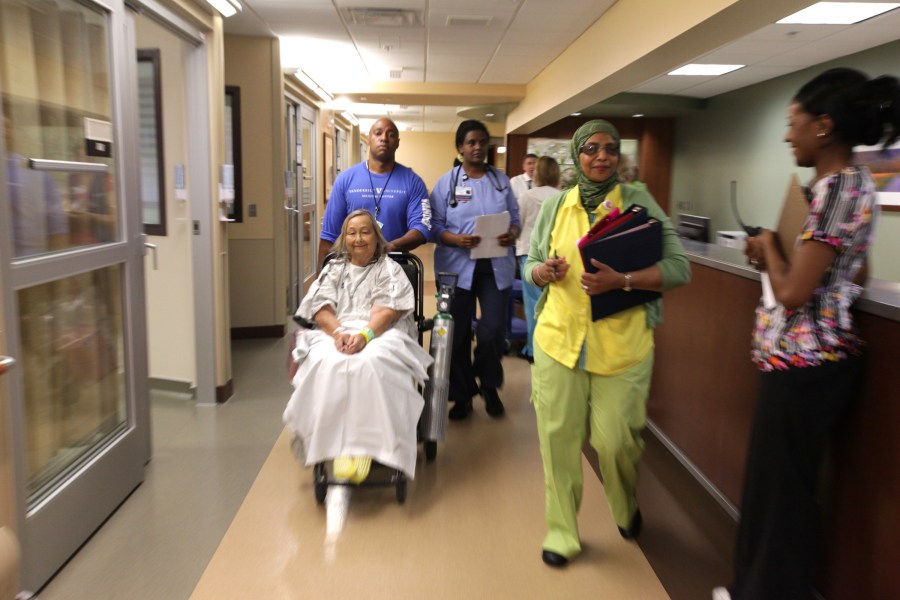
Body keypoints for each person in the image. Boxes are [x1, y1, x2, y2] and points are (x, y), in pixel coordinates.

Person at [713, 68, 900, 600]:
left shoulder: (838, 189)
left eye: (793, 123)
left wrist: (770, 244)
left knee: (784, 495)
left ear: (823, 127)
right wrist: (775, 255)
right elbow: (852, 274)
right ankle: (750, 586)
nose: (786, 135)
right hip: (801, 362)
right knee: (775, 488)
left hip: (808, 366)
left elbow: (794, 293)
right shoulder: (848, 187)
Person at [524, 119, 691, 567]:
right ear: (576, 156)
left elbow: (679, 267)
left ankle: (625, 501)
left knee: (616, 440)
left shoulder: (639, 203)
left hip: (622, 346)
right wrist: (542, 272)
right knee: (557, 439)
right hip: (559, 341)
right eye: (591, 149)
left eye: (610, 149)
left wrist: (625, 280)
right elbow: (531, 263)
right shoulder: (557, 205)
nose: (601, 156)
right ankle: (561, 531)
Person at [284, 209, 433, 484]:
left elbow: (387, 313)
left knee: (371, 363)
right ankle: (333, 442)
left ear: (376, 237)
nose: (358, 238)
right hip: (336, 330)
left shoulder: (389, 269)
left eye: (365, 232)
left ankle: (370, 444)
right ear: (344, 238)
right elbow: (320, 307)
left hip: (381, 331)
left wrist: (365, 336)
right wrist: (338, 331)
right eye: (351, 233)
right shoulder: (334, 268)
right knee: (326, 362)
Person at [430, 119, 521, 420]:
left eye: (482, 141)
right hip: (456, 267)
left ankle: (489, 385)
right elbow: (434, 227)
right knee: (454, 334)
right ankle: (463, 395)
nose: (478, 147)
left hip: (495, 267)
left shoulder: (501, 181)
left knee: (492, 329)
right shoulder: (447, 183)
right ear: (460, 148)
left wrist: (513, 233)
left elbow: (516, 218)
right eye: (471, 142)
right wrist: (456, 239)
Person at [318, 118, 431, 262]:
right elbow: (329, 235)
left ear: (397, 142)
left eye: (390, 135)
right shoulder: (345, 180)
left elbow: (422, 228)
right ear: (368, 139)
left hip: (395, 271)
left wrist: (390, 247)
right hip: (352, 270)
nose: (384, 138)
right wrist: (320, 280)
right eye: (378, 133)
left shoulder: (413, 182)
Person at [514, 156, 560, 362]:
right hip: (556, 257)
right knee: (554, 304)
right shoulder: (564, 197)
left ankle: (533, 348)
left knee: (532, 304)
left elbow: (518, 225)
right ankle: (552, 347)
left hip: (530, 256)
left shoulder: (527, 196)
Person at [4, 112, 67, 257]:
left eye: (6, 127)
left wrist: (62, 274)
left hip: (29, 259)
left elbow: (56, 222)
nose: (3, 132)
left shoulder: (32, 171)